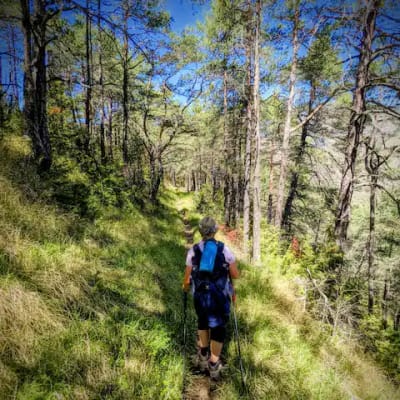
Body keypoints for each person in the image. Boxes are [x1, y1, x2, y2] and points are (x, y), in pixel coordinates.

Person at [182, 216, 239, 380]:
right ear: (215, 231)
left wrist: (186, 288)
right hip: (219, 296)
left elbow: (187, 279)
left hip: (200, 296)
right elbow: (235, 274)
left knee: (202, 321)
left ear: (200, 231)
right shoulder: (224, 250)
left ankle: (203, 354)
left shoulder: (193, 250)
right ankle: (214, 364)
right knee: (218, 327)